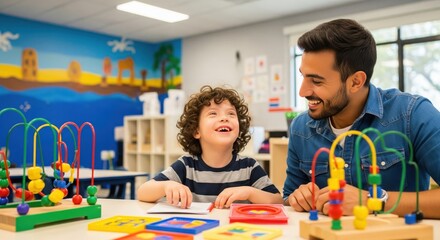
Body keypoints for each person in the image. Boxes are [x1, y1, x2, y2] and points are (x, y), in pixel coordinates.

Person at [283, 18, 440, 219]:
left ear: (356, 81)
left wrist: (371, 201)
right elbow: (289, 199)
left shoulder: (413, 114)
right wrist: (299, 197)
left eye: (316, 81)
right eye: (303, 76)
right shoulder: (300, 128)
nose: (303, 91)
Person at [138, 85, 283, 208]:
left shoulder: (249, 168)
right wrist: (166, 185)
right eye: (213, 113)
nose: (224, 117)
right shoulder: (187, 166)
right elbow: (142, 192)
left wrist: (250, 192)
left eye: (231, 114)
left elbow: (278, 201)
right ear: (196, 131)